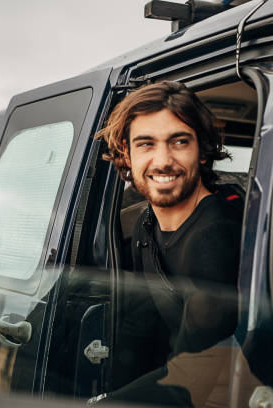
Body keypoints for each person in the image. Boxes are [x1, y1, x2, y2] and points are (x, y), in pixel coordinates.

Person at [95, 81, 242, 406]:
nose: (163, 160)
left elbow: (191, 378)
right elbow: (139, 331)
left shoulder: (216, 236)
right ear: (126, 155)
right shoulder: (147, 228)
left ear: (202, 151)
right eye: (146, 144)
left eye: (179, 142)